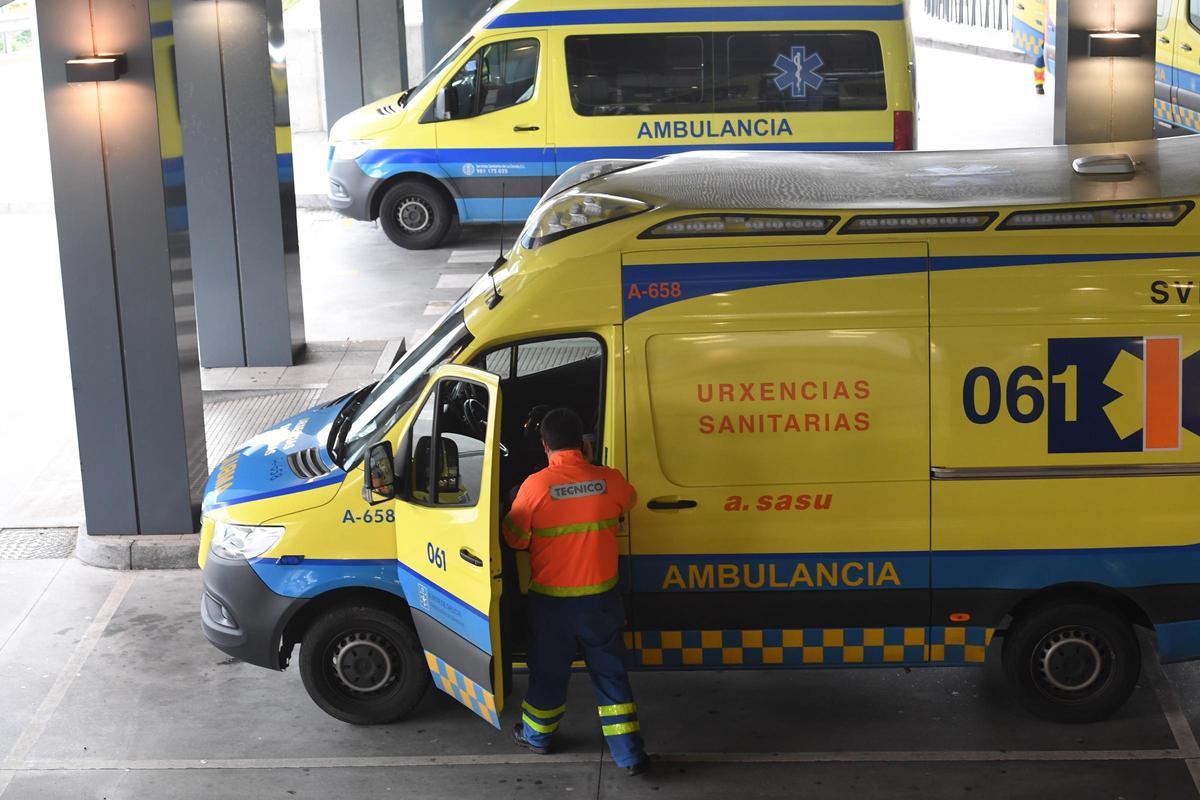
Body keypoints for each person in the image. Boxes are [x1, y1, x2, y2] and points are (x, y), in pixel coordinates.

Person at [501, 407, 649, 776]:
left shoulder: (534, 487)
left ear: (544, 444)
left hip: (554, 605)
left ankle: (536, 737)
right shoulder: (610, 480)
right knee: (611, 675)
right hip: (602, 601)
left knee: (549, 674)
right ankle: (629, 755)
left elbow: (514, 539)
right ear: (583, 442)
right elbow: (627, 504)